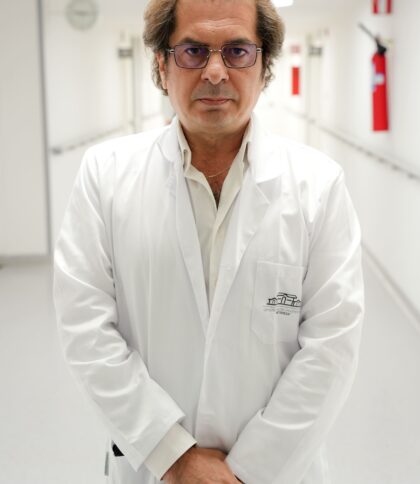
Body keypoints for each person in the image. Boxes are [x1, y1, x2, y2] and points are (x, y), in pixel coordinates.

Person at [53, 0, 365, 483]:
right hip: (153, 470)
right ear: (162, 65)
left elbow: (331, 347)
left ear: (264, 67)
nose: (216, 72)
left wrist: (247, 472)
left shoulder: (318, 186)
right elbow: (85, 330)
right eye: (193, 51)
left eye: (238, 51)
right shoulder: (105, 177)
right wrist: (174, 457)